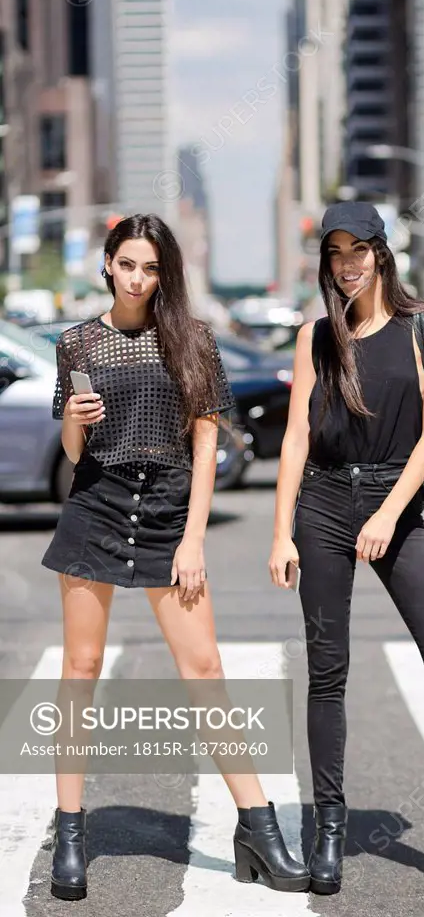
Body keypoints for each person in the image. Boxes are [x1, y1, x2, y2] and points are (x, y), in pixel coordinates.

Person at [42, 214, 309, 901]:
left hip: (166, 512)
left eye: (150, 267)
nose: (137, 278)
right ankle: (71, 829)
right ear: (107, 265)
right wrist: (76, 422)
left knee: (205, 669)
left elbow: (203, 447)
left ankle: (258, 824)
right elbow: (74, 457)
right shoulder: (76, 343)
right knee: (80, 669)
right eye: (126, 264)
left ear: (165, 273)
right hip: (96, 506)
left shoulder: (191, 341)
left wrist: (192, 539)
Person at [268, 202, 424, 901]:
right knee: (327, 671)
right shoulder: (317, 337)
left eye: (358, 249)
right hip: (325, 506)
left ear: (382, 253)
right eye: (335, 253)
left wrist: (390, 514)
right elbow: (298, 439)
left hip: (394, 504)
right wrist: (281, 529)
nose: (347, 264)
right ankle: (328, 828)